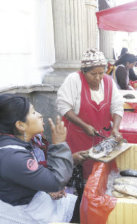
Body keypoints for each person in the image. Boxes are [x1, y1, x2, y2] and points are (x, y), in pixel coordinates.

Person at [0, 94, 76, 224]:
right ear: (20, 125)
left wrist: (47, 189)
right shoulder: (12, 156)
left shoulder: (18, 145)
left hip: (34, 202)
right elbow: (56, 181)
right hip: (22, 214)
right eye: (33, 112)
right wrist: (59, 145)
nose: (40, 115)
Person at [57, 49, 124, 179]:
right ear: (84, 71)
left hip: (101, 137)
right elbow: (63, 107)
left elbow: (117, 106)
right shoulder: (74, 80)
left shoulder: (109, 82)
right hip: (78, 136)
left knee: (99, 174)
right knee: (80, 173)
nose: (98, 77)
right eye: (93, 74)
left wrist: (115, 128)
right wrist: (84, 125)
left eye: (101, 73)